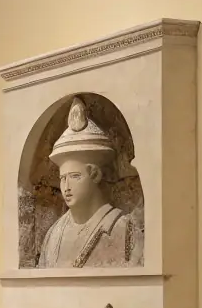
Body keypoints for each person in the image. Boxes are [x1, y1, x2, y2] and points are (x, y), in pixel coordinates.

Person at [38, 97, 142, 269]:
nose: (66, 187)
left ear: (94, 174)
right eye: (63, 178)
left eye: (75, 176)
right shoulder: (53, 235)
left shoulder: (123, 229)